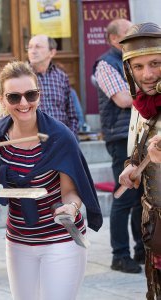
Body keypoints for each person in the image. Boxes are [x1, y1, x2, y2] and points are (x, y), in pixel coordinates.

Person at [0, 61, 102, 300]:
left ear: (39, 94)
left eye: (31, 94)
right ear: (1, 99)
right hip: (18, 240)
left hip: (60, 238)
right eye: (14, 97)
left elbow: (70, 191)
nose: (24, 103)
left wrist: (70, 207)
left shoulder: (59, 137)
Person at [93, 18, 144, 273]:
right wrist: (148, 89)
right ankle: (119, 254)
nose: (135, 34)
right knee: (125, 194)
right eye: (128, 32)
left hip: (141, 134)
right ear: (115, 39)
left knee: (143, 195)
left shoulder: (134, 61)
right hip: (121, 137)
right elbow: (124, 99)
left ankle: (142, 249)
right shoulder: (106, 63)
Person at [118, 22, 161, 299]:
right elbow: (136, 152)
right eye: (138, 66)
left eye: (156, 63)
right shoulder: (142, 105)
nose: (147, 74)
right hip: (155, 225)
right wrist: (131, 167)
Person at [27, 34, 79, 135]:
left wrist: (70, 137)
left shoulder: (61, 77)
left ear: (52, 52)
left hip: (61, 140)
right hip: (33, 141)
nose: (32, 51)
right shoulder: (22, 77)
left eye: (38, 47)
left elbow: (72, 115)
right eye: (30, 47)